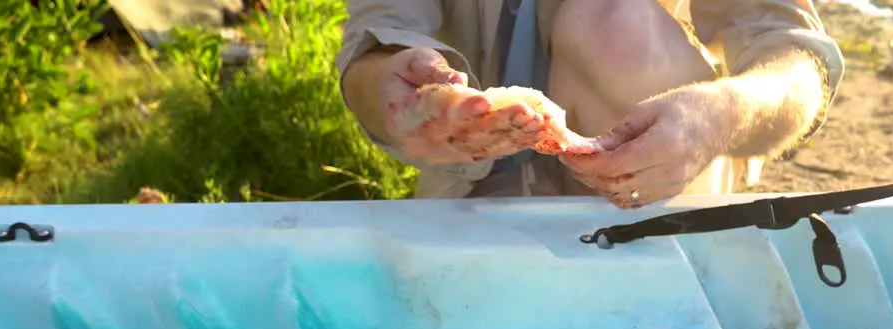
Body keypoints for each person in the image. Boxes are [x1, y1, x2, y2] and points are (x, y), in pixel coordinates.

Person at [336, 1, 844, 209]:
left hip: (656, 206)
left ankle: (664, 280)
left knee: (612, 23)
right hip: (466, 191)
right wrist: (388, 90)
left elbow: (794, 62)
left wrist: (719, 116)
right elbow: (378, 36)